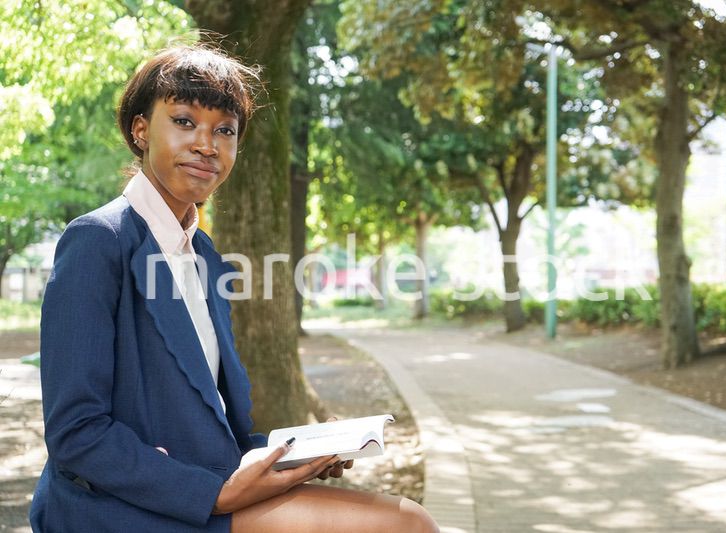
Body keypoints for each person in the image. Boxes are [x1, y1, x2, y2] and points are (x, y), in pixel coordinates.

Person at [29, 43, 439, 533]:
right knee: (404, 524)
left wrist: (293, 454)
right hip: (124, 506)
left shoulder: (202, 254)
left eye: (225, 130)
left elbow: (208, 422)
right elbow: (76, 435)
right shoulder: (100, 240)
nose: (207, 144)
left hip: (212, 481)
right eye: (183, 121)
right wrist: (217, 494)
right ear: (140, 129)